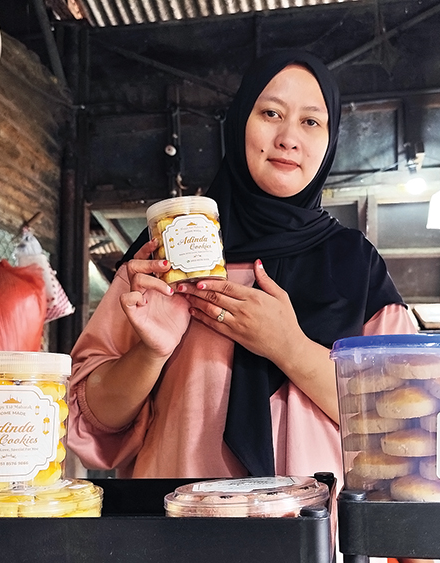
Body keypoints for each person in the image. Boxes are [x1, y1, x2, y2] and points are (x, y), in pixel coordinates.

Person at [67, 49, 417, 480]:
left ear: (330, 141)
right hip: (174, 532)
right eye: (271, 113)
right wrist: (150, 353)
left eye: (311, 121)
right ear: (238, 125)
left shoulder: (356, 265)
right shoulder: (164, 251)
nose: (289, 138)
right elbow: (92, 422)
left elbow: (402, 416)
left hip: (309, 535)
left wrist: (290, 347)